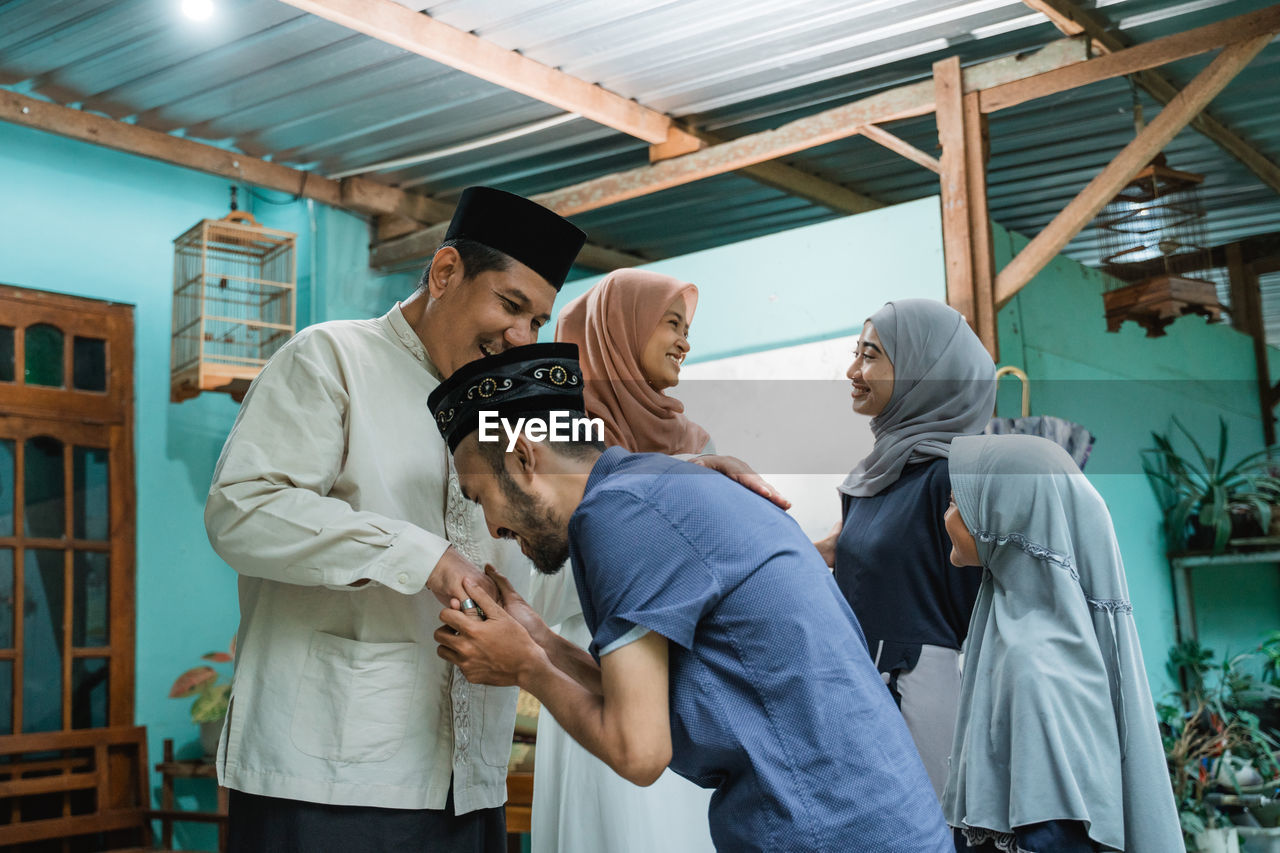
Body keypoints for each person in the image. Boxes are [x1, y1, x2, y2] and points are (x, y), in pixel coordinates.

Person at [428, 344, 953, 853]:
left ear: (523, 457)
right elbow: (637, 700)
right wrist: (536, 638)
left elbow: (640, 753)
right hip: (884, 818)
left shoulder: (615, 518)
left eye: (481, 498)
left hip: (822, 828)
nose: (493, 527)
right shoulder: (653, 486)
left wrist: (526, 669)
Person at [203, 186, 589, 852]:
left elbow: (545, 583)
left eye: (538, 321)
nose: (520, 338)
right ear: (445, 273)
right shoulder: (330, 359)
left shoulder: (515, 409)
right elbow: (243, 509)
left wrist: (666, 489)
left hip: (471, 784)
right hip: (327, 779)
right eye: (511, 304)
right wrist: (424, 554)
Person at [535, 269, 714, 853]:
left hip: (688, 685)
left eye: (688, 329)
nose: (685, 341)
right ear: (617, 330)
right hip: (598, 673)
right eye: (670, 323)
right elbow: (540, 570)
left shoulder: (697, 444)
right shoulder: (559, 441)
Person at [942, 434, 1183, 853]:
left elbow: (1052, 831)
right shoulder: (1014, 630)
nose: (947, 517)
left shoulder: (1033, 660)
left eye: (955, 502)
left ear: (1003, 514)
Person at [813, 298, 994, 799]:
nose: (852, 370)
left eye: (870, 356)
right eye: (856, 353)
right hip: (858, 693)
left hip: (920, 703)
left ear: (924, 371)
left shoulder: (954, 476)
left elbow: (979, 615)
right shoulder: (874, 477)